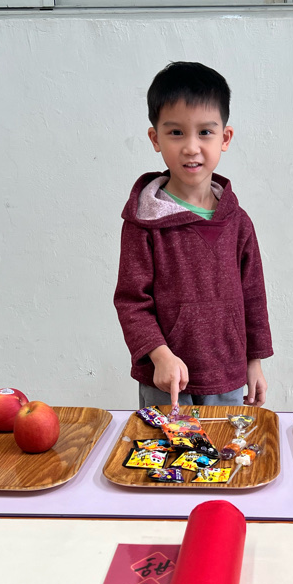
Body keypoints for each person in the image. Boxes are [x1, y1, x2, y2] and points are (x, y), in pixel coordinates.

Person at [114, 61, 272, 410]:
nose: (190, 146)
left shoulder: (238, 223)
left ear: (224, 138)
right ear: (155, 139)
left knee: (224, 446)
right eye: (176, 132)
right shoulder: (144, 221)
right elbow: (131, 302)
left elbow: (253, 297)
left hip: (228, 377)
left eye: (204, 132)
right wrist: (160, 355)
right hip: (166, 380)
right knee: (165, 447)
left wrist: (254, 362)